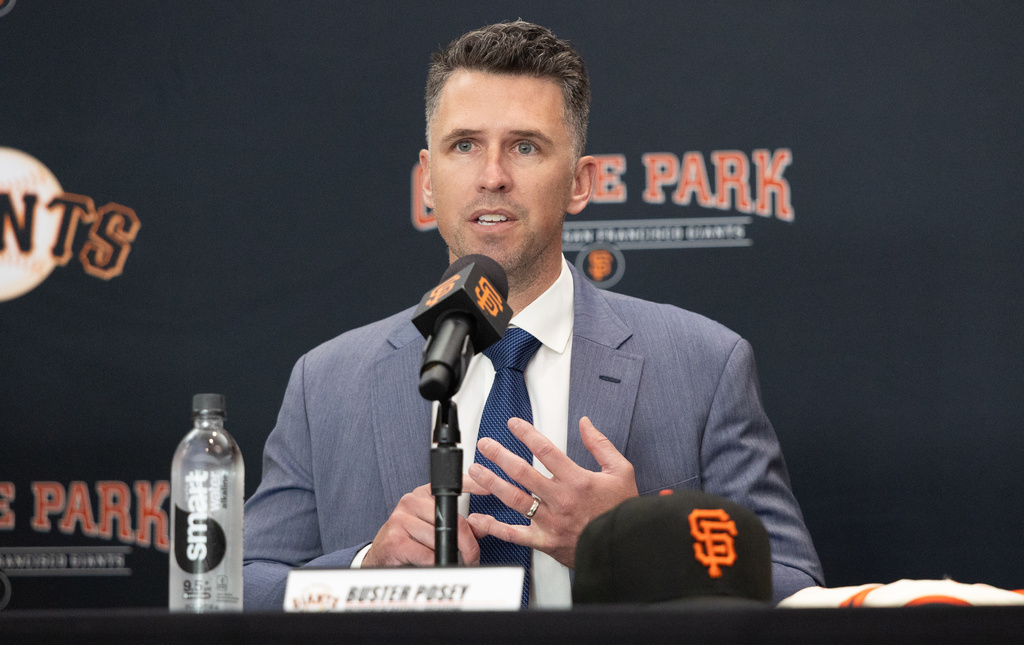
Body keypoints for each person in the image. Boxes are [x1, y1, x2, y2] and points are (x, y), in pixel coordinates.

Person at [243, 20, 823, 610]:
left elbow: (796, 588)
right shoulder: (327, 382)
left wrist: (630, 547)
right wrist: (369, 567)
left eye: (525, 147)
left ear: (579, 183)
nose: (492, 176)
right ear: (427, 179)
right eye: (464, 145)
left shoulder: (705, 366)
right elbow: (238, 586)